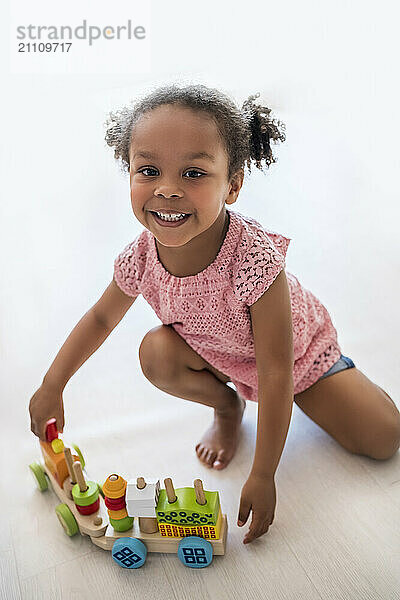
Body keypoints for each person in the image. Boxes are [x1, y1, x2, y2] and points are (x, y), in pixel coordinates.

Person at [29, 83, 400, 545]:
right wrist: (52, 384)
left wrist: (264, 474)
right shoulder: (141, 257)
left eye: (193, 173)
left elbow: (277, 369)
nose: (166, 189)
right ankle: (228, 407)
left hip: (297, 362)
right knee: (155, 352)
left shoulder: (254, 259)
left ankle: (342, 381)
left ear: (234, 185)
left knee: (385, 439)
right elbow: (101, 319)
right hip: (219, 356)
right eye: (148, 170)